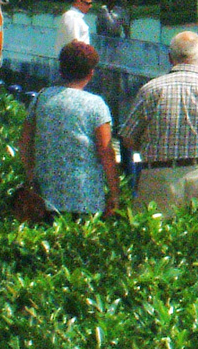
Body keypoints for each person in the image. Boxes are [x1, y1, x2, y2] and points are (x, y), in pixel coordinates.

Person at [122, 30, 198, 217]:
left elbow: (128, 138)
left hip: (157, 177)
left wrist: (151, 150)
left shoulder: (150, 91)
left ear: (170, 58)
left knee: (154, 240)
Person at [18, 41, 121, 218]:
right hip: (85, 198)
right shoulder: (96, 104)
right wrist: (114, 192)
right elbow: (105, 151)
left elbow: (24, 143)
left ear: (61, 69)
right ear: (90, 73)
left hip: (45, 196)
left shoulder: (41, 98)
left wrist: (30, 177)